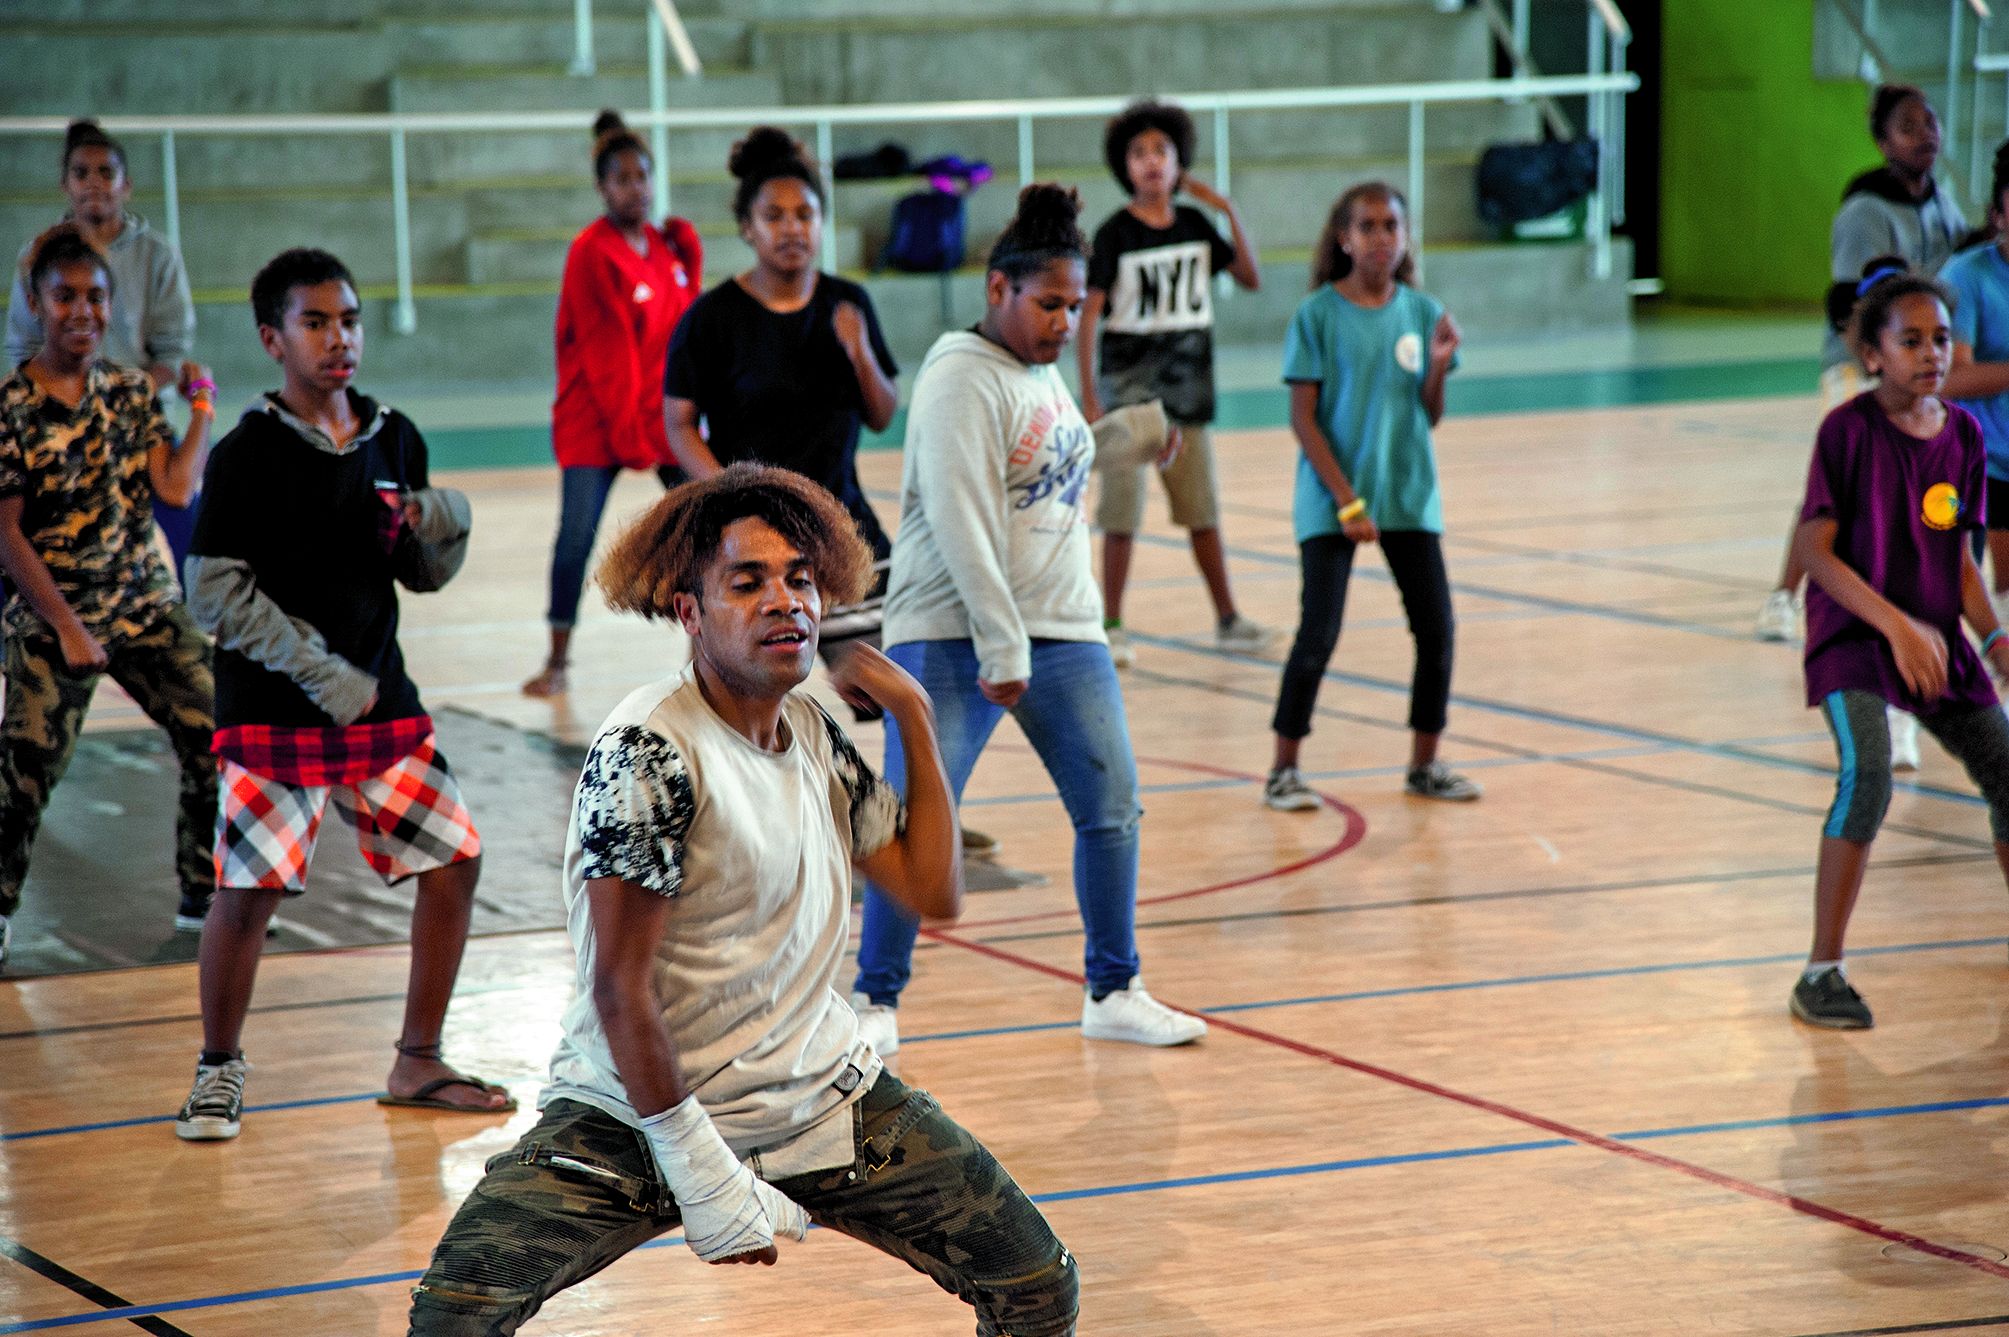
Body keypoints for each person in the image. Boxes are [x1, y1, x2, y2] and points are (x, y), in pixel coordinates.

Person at [406, 464, 1078, 1337]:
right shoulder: (647, 753)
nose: (785, 601)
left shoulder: (812, 732)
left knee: (1037, 1286)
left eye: (800, 578)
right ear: (690, 612)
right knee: (452, 1320)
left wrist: (912, 711)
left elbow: (931, 888)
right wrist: (696, 1163)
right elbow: (620, 987)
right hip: (639, 1110)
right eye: (748, 581)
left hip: (818, 1097)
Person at [850, 183, 1208, 1056]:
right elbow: (964, 510)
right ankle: (871, 1002)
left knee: (1110, 806)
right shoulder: (956, 375)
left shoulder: (1033, 371)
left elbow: (1049, 456)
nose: (1062, 321)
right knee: (916, 825)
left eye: (1075, 306)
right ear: (996, 289)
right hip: (954, 632)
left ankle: (1113, 988)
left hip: (1063, 627)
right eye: (1049, 303)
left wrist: (1125, 433)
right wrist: (1001, 642)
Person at [174, 249, 509, 1139]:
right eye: (316, 321)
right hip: (278, 706)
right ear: (271, 338)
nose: (338, 337)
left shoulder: (393, 434)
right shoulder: (247, 453)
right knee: (248, 890)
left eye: (349, 319)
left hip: (379, 703)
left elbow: (418, 570)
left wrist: (446, 523)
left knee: (454, 860)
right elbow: (211, 590)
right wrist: (320, 672)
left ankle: (418, 1059)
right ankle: (216, 1069)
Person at [1789, 266, 2009, 1030]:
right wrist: (1893, 624)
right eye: (1909, 339)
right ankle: (1820, 970)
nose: (1930, 353)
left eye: (1941, 338)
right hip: (1854, 636)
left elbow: (1957, 564)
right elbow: (1813, 551)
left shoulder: (1963, 437)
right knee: (1870, 772)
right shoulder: (1844, 432)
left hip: (1931, 637)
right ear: (1872, 353)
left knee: (2006, 769)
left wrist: (1992, 636)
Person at [0, 223, 214, 967]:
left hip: (142, 605)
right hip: (49, 610)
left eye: (95, 296)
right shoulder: (11, 406)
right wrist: (64, 626)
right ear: (36, 304)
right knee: (25, 771)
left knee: (216, 732)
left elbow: (175, 485)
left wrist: (205, 412)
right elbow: (7, 535)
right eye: (65, 297)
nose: (82, 311)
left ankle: (204, 899)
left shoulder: (127, 391)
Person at [1757, 86, 1969, 771]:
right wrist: (1891, 349)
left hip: (1915, 364)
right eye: (1908, 127)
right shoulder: (1864, 209)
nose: (1924, 136)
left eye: (1929, 123)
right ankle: (1784, 594)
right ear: (1881, 140)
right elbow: (1851, 303)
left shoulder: (1939, 200)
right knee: (1839, 487)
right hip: (1859, 365)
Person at [1262, 183, 1478, 813]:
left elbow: (1428, 415)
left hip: (1408, 496)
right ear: (1345, 238)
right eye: (1368, 226)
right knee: (1318, 633)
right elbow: (1304, 420)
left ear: (1405, 238)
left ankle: (1424, 765)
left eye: (1392, 226)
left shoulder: (1424, 313)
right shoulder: (1317, 316)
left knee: (1437, 631)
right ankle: (1283, 770)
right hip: (1334, 502)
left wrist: (1437, 365)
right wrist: (1346, 502)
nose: (1381, 237)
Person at [664, 126, 899, 666]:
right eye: (774, 216)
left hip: (841, 524)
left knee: (885, 690)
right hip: (747, 537)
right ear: (748, 229)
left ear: (821, 223)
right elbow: (678, 422)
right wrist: (727, 491)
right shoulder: (713, 317)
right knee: (736, 699)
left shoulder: (848, 303)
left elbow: (883, 414)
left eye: (804, 214)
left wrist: (860, 351)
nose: (791, 228)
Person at [1078, 98, 1269, 667]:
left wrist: (1225, 206)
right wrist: (1091, 396)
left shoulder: (1195, 225)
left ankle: (1229, 617)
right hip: (1130, 398)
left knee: (1201, 513)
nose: (1151, 162)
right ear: (1124, 166)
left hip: (1187, 396)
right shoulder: (1113, 235)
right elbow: (1090, 314)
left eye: (1161, 150)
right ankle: (1111, 623)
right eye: (1138, 153)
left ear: (1179, 160)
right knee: (1121, 516)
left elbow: (1251, 276)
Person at [523, 112, 703, 698]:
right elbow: (609, 357)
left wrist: (690, 260)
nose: (637, 188)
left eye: (643, 175)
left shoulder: (663, 246)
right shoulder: (590, 253)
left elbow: (687, 330)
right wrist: (634, 439)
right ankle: (556, 661)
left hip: (657, 417)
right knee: (576, 534)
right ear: (602, 187)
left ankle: (705, 654)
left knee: (707, 523)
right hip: (596, 421)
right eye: (622, 178)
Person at [6, 120, 202, 576]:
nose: (94, 183)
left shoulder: (158, 254)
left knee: (184, 533)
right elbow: (22, 347)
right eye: (81, 173)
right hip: (56, 426)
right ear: (65, 185)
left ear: (126, 185)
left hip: (140, 420)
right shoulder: (35, 256)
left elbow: (172, 352)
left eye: (105, 173)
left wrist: (117, 398)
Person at [1941, 141, 2009, 610]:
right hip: (1981, 465)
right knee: (1960, 591)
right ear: (1997, 216)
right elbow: (1949, 378)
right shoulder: (1968, 276)